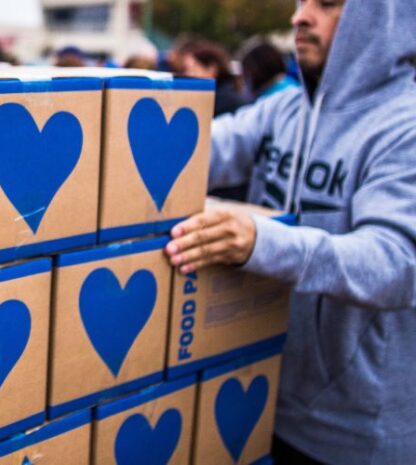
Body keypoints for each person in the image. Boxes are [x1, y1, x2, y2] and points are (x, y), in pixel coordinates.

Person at [163, 0, 416, 463]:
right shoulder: (282, 110)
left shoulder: (405, 127)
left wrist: (263, 242)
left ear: (383, 15)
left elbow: (396, 263)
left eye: (326, 3)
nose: (300, 16)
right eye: (300, 2)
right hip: (265, 399)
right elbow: (195, 152)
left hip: (357, 435)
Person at [180, 40, 247, 116]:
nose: (188, 75)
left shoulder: (222, 101)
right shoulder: (223, 94)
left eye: (193, 69)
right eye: (186, 70)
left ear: (212, 69)